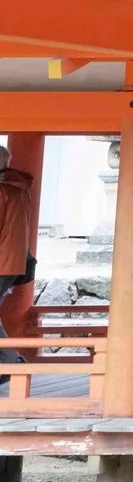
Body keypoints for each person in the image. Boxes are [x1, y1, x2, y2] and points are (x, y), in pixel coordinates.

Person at [0, 152, 35, 379]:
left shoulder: (3, 190)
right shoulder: (20, 190)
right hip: (12, 263)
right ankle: (9, 361)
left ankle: (11, 361)